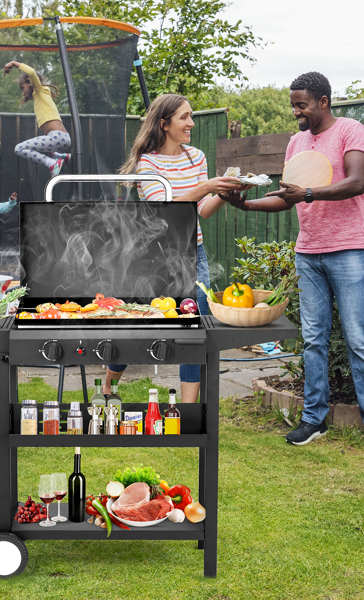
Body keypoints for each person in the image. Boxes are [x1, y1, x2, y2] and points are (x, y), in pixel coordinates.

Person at [225, 72, 364, 445]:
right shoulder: (296, 142)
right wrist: (248, 204)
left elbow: (357, 181)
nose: (296, 112)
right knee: (314, 340)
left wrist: (309, 193)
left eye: (301, 105)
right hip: (309, 252)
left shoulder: (351, 130)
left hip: (350, 248)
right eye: (293, 106)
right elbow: (288, 197)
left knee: (358, 340)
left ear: (323, 101)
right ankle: (314, 419)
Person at [103, 94, 244, 403]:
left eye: (191, 116)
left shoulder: (196, 156)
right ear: (164, 124)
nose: (191, 123)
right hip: (153, 259)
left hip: (195, 254)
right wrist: (207, 187)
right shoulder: (148, 162)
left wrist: (226, 192)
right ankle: (109, 381)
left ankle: (188, 409)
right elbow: (160, 208)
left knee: (195, 331)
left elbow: (203, 210)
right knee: (141, 327)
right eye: (184, 117)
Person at [3, 60, 71, 177]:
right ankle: (61, 157)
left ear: (30, 83)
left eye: (23, 88)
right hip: (61, 139)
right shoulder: (40, 96)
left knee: (19, 149)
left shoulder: (40, 90)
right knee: (35, 147)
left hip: (57, 137)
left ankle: (52, 163)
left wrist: (14, 63)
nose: (23, 93)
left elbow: (31, 72)